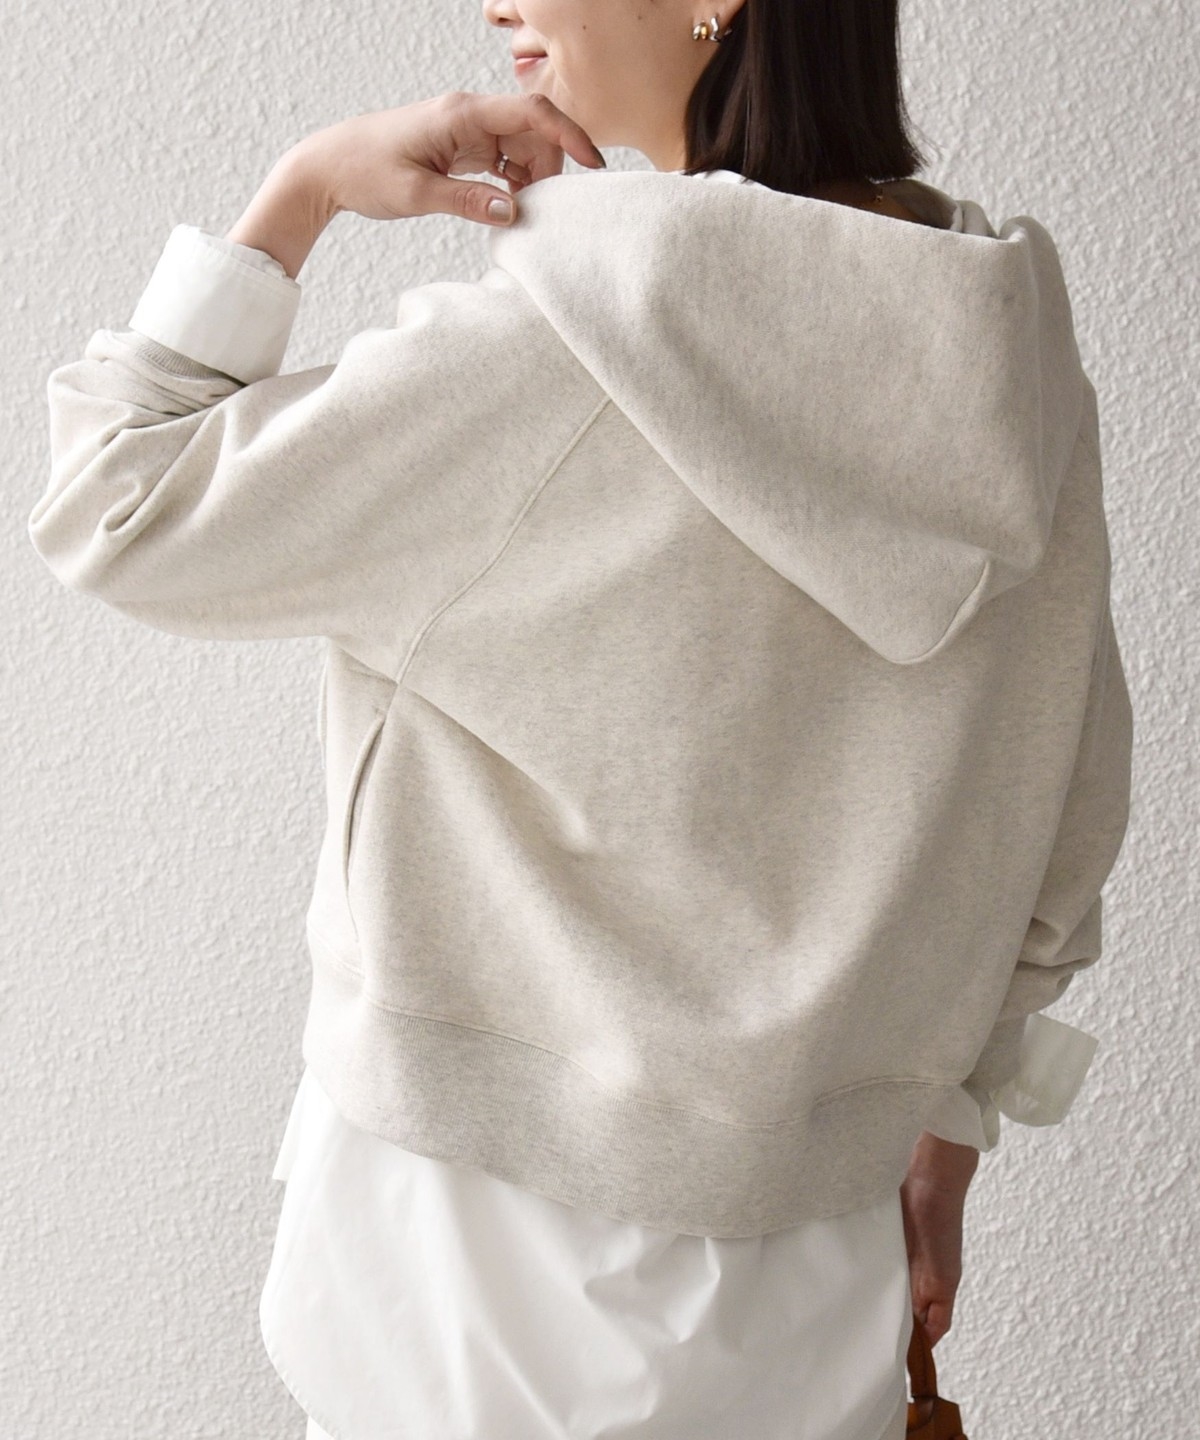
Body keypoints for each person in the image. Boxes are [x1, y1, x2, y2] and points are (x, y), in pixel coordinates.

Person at [28, 0, 1134, 1434]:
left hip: (476, 1252)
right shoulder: (1004, 362)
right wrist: (950, 1119)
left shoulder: (570, 349)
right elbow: (1062, 805)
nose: (499, 1)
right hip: (818, 1271)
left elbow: (115, 504)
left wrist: (303, 191)